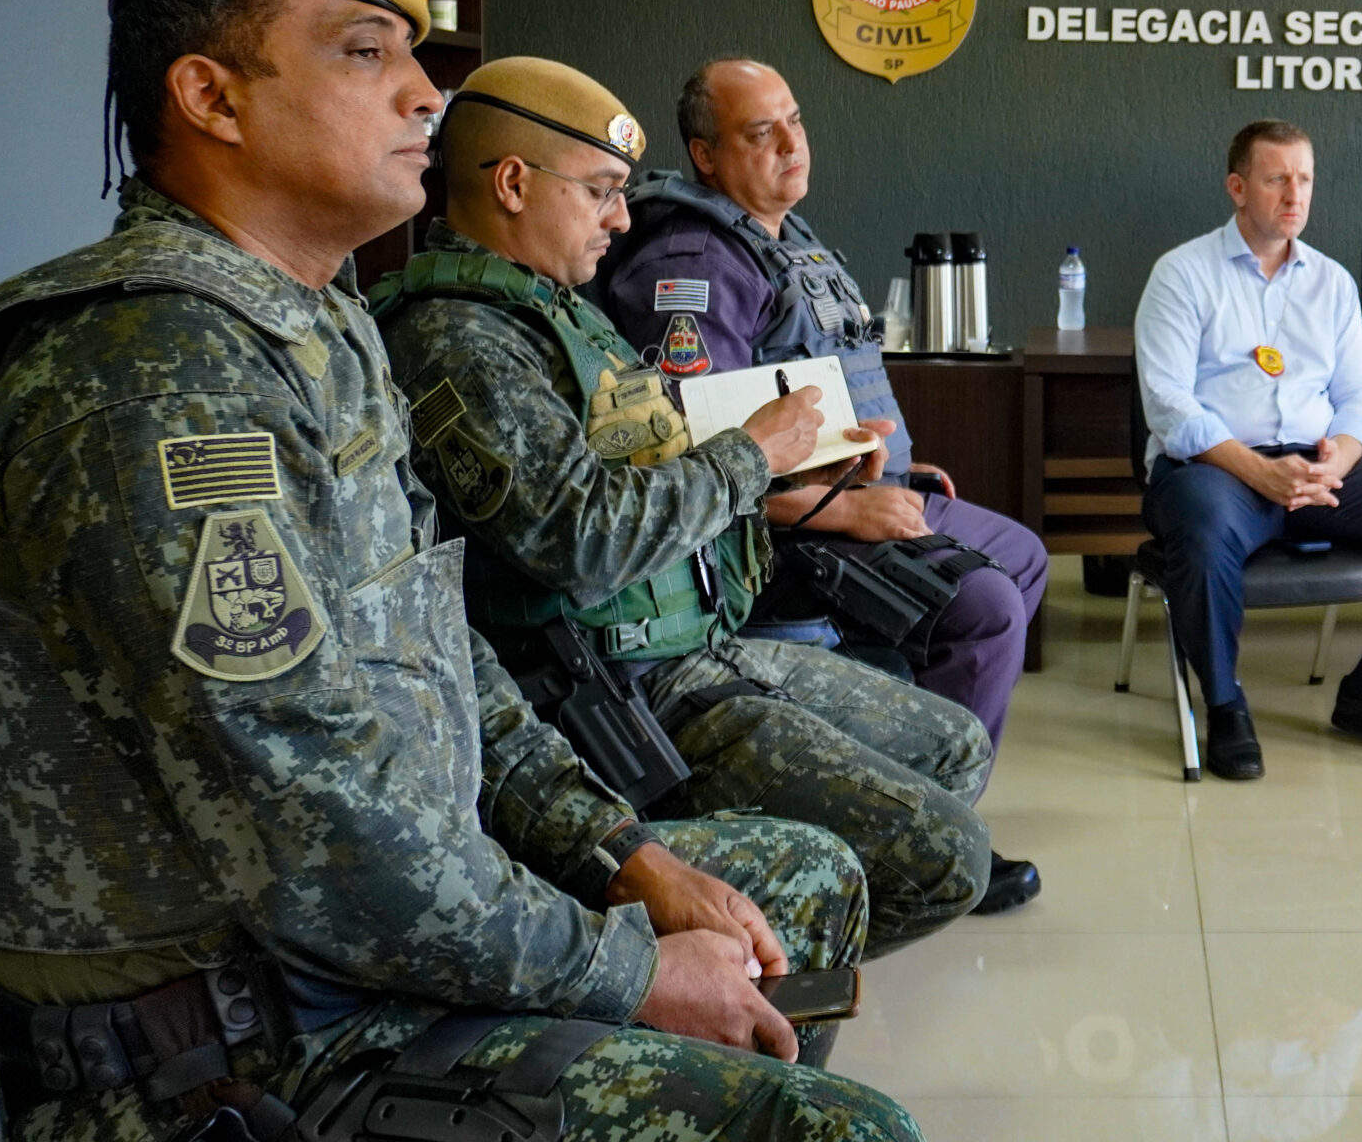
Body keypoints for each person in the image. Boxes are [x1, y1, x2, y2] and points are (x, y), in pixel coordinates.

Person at [0, 0, 920, 1142]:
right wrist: (620, 967)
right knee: (845, 1141)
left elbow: (445, 648)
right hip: (241, 1054)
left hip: (372, 948)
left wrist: (621, 853)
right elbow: (314, 818)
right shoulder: (151, 368)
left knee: (797, 891)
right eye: (364, 55)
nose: (424, 98)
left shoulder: (320, 326)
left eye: (413, 55)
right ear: (211, 97)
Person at [374, 56, 1004, 950]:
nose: (622, 218)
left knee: (955, 745)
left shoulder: (554, 308)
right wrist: (755, 454)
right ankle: (734, 971)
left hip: (686, 642)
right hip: (609, 687)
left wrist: (812, 465)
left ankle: (770, 941)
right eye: (601, 191)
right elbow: (579, 538)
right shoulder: (461, 339)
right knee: (944, 855)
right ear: (513, 184)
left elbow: (651, 456)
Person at [599, 58, 1046, 913]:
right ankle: (922, 844)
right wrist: (848, 509)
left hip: (856, 493)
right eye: (760, 132)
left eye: (795, 121)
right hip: (776, 532)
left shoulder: (782, 234)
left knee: (1021, 555)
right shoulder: (693, 263)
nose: (791, 144)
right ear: (704, 154)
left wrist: (887, 473)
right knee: (985, 607)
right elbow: (691, 459)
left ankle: (921, 797)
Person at [1132, 119, 1362, 781]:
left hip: (1318, 466)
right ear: (1238, 187)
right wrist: (1259, 472)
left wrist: (1340, 460)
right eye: (1277, 179)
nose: (1294, 194)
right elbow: (1168, 403)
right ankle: (1224, 703)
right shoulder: (1182, 273)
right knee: (1205, 533)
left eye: (1304, 179)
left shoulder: (1331, 281)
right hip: (1217, 468)